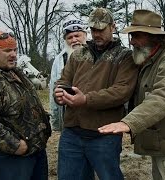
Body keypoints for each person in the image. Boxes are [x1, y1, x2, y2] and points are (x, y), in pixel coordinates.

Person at [98, 9, 165, 180]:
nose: (131, 41)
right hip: (160, 142)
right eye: (131, 35)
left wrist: (129, 122)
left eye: (136, 36)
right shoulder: (147, 59)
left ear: (153, 37)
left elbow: (162, 98)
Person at [53, 8, 139, 180]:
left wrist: (85, 99)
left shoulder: (125, 57)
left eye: (101, 29)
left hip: (104, 135)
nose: (96, 34)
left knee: (110, 176)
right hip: (72, 133)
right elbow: (63, 80)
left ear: (113, 27)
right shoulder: (78, 54)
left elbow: (121, 91)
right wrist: (60, 93)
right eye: (93, 30)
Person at [0, 31, 51, 180]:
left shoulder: (14, 72)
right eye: (7, 50)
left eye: (15, 50)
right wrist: (15, 145)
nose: (13, 54)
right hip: (8, 157)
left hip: (34, 149)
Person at [49, 18, 88, 131]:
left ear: (85, 35)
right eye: (69, 37)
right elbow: (53, 89)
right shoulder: (59, 60)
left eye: (77, 35)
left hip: (93, 118)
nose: (74, 40)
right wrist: (56, 122)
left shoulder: (96, 55)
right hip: (69, 119)